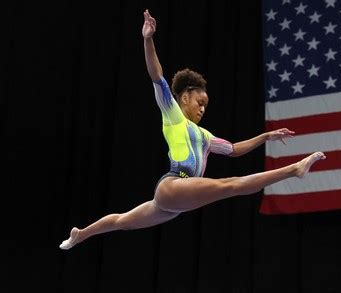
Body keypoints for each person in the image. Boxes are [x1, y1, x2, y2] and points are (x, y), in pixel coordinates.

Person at [59, 9, 326, 250]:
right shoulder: (174, 116)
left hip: (174, 205)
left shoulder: (205, 136)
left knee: (123, 221)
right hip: (173, 184)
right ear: (184, 98)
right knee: (229, 185)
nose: (202, 109)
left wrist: (266, 135)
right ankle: (294, 169)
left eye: (206, 106)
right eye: (200, 102)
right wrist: (148, 39)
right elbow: (157, 77)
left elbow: (234, 150)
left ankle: (81, 234)